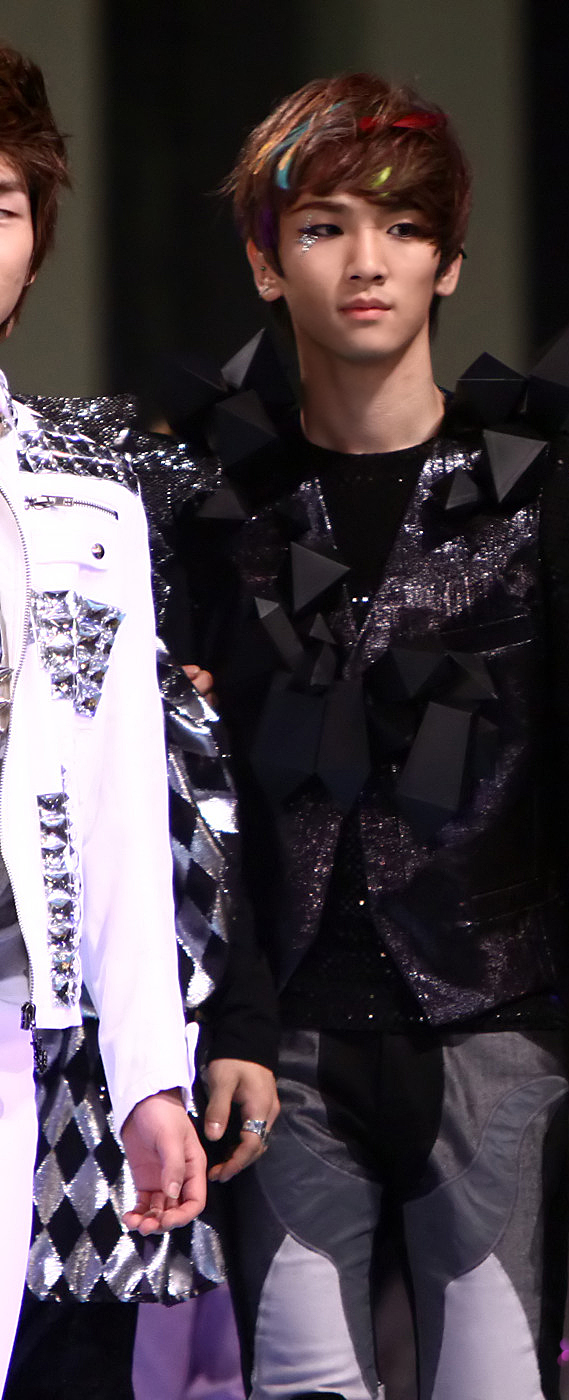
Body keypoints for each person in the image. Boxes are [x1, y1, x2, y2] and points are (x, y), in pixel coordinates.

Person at [170, 73, 569, 1400]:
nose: (367, 261)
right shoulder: (214, 503)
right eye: (324, 226)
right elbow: (182, 793)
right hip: (275, 1041)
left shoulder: (546, 493)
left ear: (449, 261)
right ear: (266, 261)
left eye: (403, 227)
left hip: (495, 1029)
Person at [0, 39, 208, 1394]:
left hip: (18, 1012)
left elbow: (124, 796)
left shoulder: (84, 497)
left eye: (2, 205)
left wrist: (148, 1075)